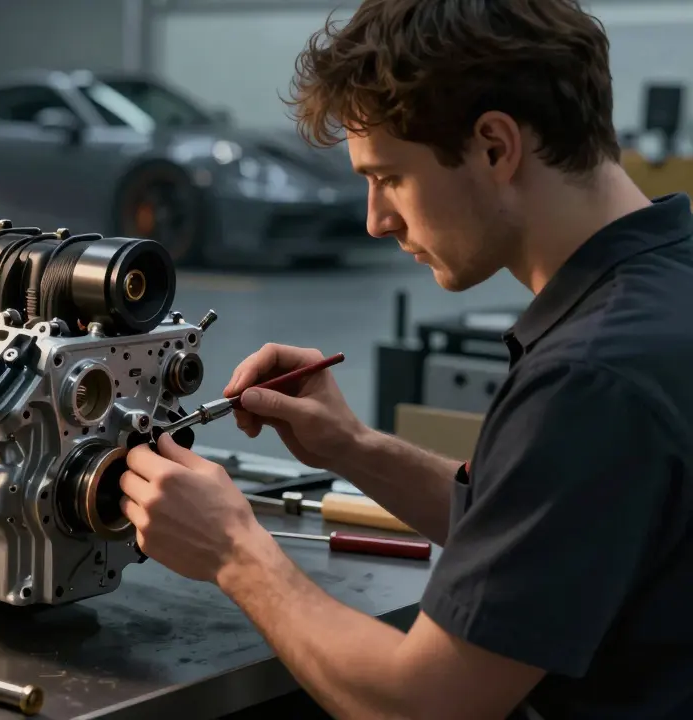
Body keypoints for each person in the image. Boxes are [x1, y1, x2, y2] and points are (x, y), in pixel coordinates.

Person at [120, 1, 693, 718]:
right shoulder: (665, 288)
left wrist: (235, 552)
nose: (376, 219)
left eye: (388, 177)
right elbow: (541, 532)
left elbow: (424, 705)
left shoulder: (589, 377)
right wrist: (353, 448)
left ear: (494, 146)